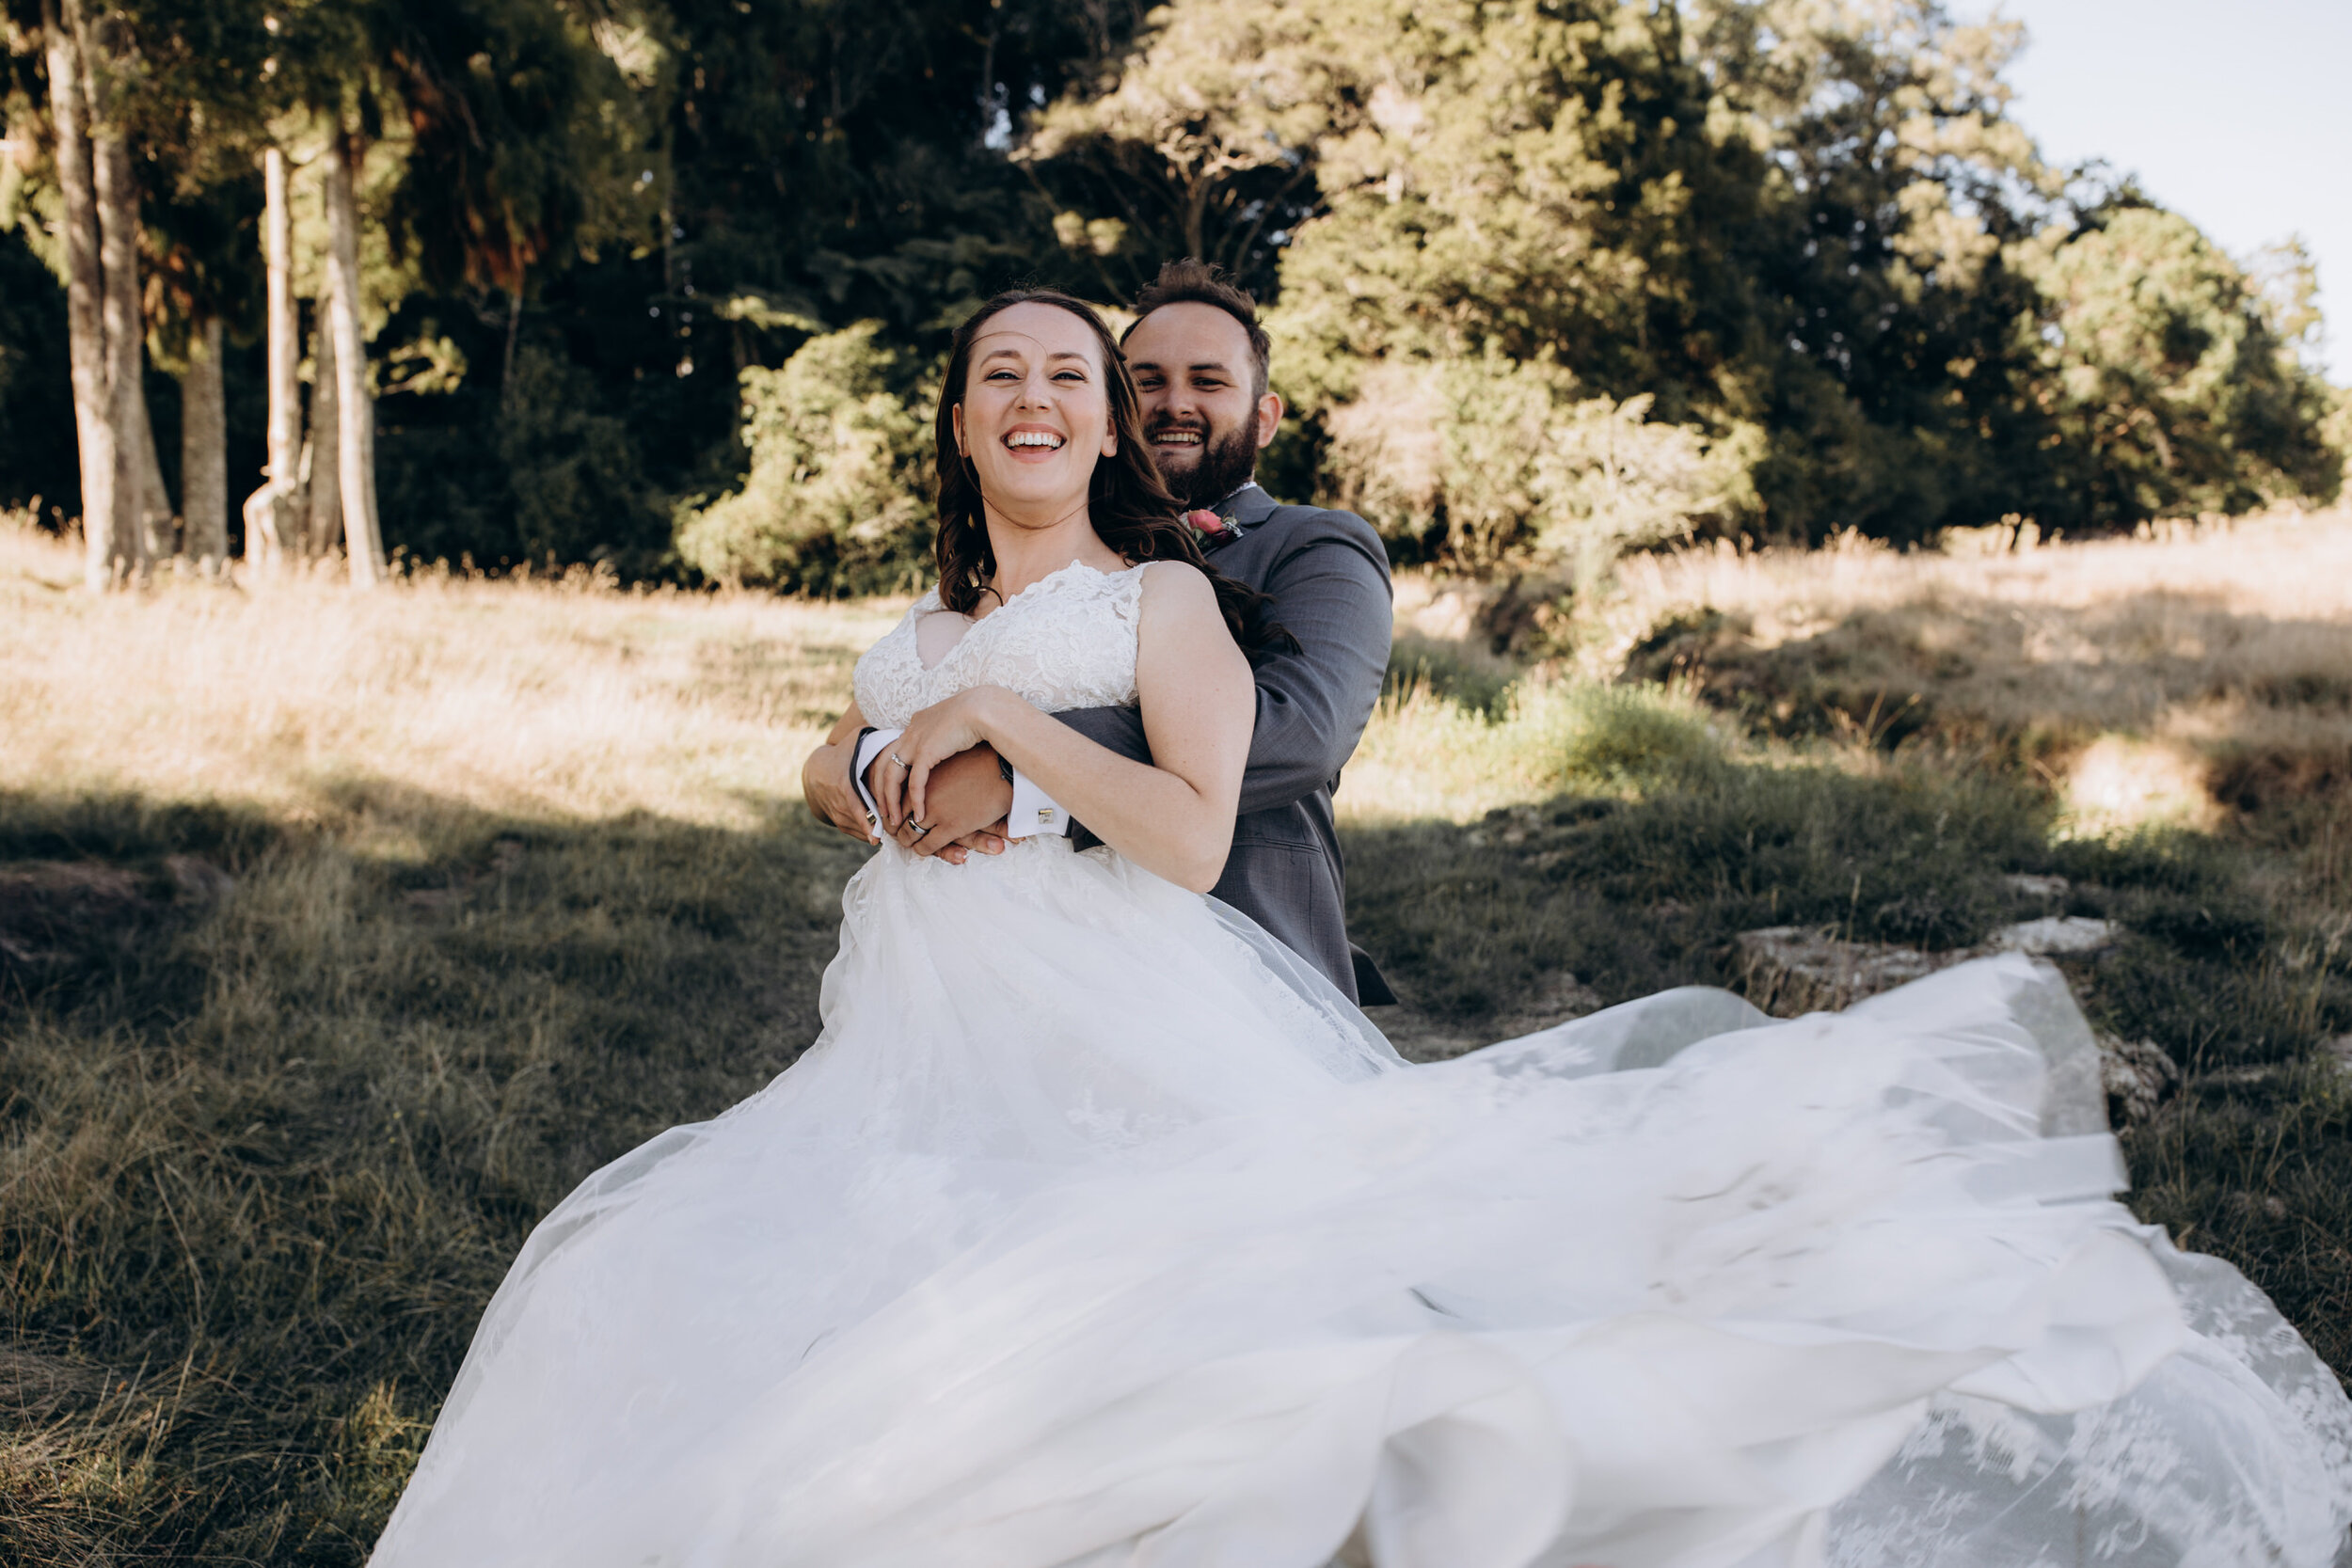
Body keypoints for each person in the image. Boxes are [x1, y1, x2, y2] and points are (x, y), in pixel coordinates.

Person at [370, 288, 2352, 1568]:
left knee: (1233, 1353)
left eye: (1087, 374)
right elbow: (847, 760)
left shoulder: (1177, 602)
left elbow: (1189, 819)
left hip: (1140, 1013)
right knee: (692, 1297)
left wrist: (993, 731)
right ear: (955, 417)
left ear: (1173, 412)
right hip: (903, 1055)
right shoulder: (903, 633)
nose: (1058, 399)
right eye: (1017, 374)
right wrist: (868, 749)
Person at [803, 259, 1397, 1005]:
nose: (1174, 402)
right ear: (1122, 408)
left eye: (1208, 382)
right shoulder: (974, 591)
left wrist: (1009, 766)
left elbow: (1298, 731)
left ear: (1265, 414)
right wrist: (842, 766)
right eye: (1147, 379)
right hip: (932, 988)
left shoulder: (1311, 547)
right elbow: (858, 734)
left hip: (1208, 967)